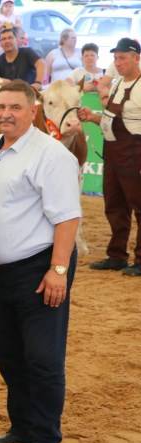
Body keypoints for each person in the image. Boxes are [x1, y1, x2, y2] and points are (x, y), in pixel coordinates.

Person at [0, 80, 81, 443]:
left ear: (34, 111)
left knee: (42, 357)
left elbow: (67, 216)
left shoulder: (49, 154)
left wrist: (58, 270)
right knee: (9, 353)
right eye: (1, 107)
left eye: (15, 107)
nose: (6, 114)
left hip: (38, 267)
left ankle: (46, 440)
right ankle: (22, 426)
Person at [78, 38, 141, 277]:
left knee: (140, 207)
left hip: (135, 153)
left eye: (123, 57)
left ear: (136, 58)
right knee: (114, 205)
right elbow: (110, 116)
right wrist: (93, 117)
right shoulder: (116, 85)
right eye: (116, 58)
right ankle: (117, 255)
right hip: (114, 152)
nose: (118, 62)